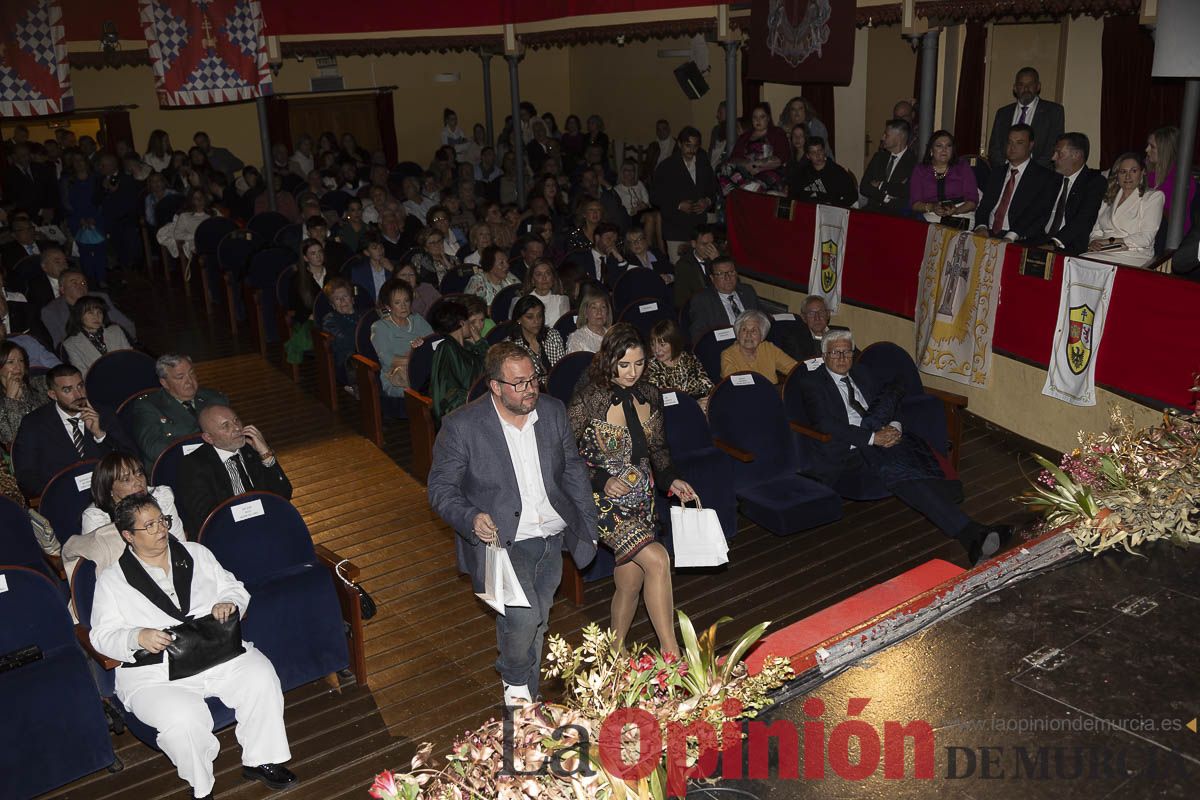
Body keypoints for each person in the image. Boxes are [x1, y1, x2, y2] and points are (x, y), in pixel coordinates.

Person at [89, 492, 296, 799]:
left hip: (213, 651)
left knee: (260, 676)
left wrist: (229, 602)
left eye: (162, 520)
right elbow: (101, 635)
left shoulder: (196, 553)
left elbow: (233, 587)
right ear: (128, 536)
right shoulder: (112, 579)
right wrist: (137, 636)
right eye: (149, 526)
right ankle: (202, 788)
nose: (161, 529)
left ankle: (261, 759)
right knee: (183, 718)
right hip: (156, 673)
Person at [428, 342, 596, 705]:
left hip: (550, 536)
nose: (530, 389)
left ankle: (527, 700)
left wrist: (589, 524)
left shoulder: (551, 411)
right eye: (518, 383)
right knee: (523, 617)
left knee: (538, 623)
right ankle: (516, 685)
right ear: (495, 386)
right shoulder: (462, 426)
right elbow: (440, 489)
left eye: (533, 379)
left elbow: (573, 471)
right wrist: (471, 517)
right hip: (501, 543)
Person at [799, 330, 1011, 564]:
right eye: (835, 353)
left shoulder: (862, 373)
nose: (842, 358)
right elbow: (827, 424)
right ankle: (971, 532)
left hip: (882, 437)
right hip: (851, 449)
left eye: (847, 352)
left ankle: (972, 536)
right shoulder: (812, 383)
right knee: (902, 471)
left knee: (916, 456)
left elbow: (890, 403)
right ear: (824, 355)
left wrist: (895, 426)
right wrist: (873, 438)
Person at [568, 324, 696, 655]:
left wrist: (671, 480)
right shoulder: (588, 400)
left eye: (639, 364)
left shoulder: (650, 394)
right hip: (603, 500)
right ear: (608, 360)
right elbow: (563, 456)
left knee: (629, 583)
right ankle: (673, 656)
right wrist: (600, 479)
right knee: (657, 560)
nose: (632, 373)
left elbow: (658, 450)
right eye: (624, 365)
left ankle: (615, 651)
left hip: (641, 497)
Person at [12, 363, 133, 495]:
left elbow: (132, 458)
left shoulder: (104, 414)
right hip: (62, 498)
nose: (78, 395)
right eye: (67, 390)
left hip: (108, 492)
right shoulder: (34, 423)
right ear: (53, 394)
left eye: (80, 386)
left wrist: (100, 435)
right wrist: (56, 493)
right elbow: (25, 475)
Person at [62, 452, 186, 581]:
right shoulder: (97, 518)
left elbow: (180, 544)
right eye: (126, 479)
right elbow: (105, 571)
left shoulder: (161, 498)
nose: (138, 482)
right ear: (109, 489)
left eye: (139, 474)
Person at [176, 404, 292, 536]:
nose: (237, 428)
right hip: (229, 533)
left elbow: (284, 494)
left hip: (267, 523)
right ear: (209, 438)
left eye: (236, 420)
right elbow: (205, 518)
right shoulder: (193, 465)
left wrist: (265, 453)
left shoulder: (252, 449)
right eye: (226, 426)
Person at [130, 354, 228, 473]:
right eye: (180, 377)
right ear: (164, 383)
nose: (189, 381)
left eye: (191, 373)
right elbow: (153, 448)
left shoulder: (214, 398)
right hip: (177, 468)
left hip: (221, 464)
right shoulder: (149, 406)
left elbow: (234, 430)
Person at [1023, 132, 1107, 256]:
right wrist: (1012, 234)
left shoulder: (1094, 182)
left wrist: (1055, 243)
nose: (1053, 158)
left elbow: (1083, 218)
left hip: (1069, 245)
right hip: (1041, 239)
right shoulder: (1052, 179)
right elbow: (1033, 209)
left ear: (1076, 155)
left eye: (1059, 153)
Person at [974, 124, 1056, 241]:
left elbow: (1036, 214)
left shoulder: (1043, 177)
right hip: (988, 232)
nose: (1012, 147)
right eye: (1010, 142)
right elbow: (984, 206)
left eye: (1019, 143)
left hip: (1018, 236)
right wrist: (981, 226)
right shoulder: (997, 172)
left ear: (1030, 145)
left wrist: (1011, 236)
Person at [1086, 153, 1165, 267]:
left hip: (1133, 254)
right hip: (1102, 251)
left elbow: (1145, 238)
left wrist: (1110, 241)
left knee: (1088, 264)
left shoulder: (1153, 197)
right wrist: (1094, 242)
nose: (1128, 177)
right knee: (1077, 261)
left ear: (1142, 173)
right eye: (1123, 172)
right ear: (1117, 175)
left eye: (1133, 171)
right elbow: (1096, 230)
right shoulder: (1108, 198)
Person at [652, 127, 718, 261]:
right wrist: (678, 205)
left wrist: (707, 201)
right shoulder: (667, 166)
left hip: (699, 229)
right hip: (676, 227)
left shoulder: (703, 163)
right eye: (688, 145)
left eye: (695, 146)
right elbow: (655, 196)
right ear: (679, 144)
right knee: (680, 269)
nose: (691, 150)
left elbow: (713, 188)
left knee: (702, 269)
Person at [986, 67, 1065, 169]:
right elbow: (994, 149)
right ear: (1015, 88)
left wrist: (1028, 171)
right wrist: (1007, 168)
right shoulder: (1003, 113)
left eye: (1030, 84)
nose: (1026, 89)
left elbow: (1054, 147)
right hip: (1007, 175)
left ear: (1038, 86)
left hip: (1039, 175)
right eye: (1021, 85)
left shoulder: (1053, 111)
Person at [41, 268, 138, 349]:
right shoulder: (51, 311)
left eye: (83, 283)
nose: (80, 286)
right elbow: (59, 344)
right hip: (81, 353)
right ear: (62, 289)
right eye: (74, 283)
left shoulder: (100, 298)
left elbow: (126, 325)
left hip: (114, 344)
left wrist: (123, 342)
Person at [428, 300, 488, 425]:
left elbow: (489, 366)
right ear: (462, 323)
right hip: (461, 413)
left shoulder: (467, 347)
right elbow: (447, 392)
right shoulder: (446, 348)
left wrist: (479, 342)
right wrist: (475, 400)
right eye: (469, 322)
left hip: (477, 403)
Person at [371, 276, 434, 396]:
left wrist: (423, 350)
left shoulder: (418, 320)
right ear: (388, 307)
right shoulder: (380, 327)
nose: (404, 306)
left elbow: (434, 344)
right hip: (396, 377)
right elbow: (388, 360)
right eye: (397, 303)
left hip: (424, 371)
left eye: (406, 301)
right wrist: (418, 360)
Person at [909, 130, 978, 227]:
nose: (944, 150)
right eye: (939, 146)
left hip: (961, 213)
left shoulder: (962, 167)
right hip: (931, 214)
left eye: (948, 146)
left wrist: (956, 210)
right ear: (931, 150)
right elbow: (915, 204)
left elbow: (972, 201)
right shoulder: (920, 170)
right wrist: (933, 207)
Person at [719, 102, 790, 195]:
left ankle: (746, 190)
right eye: (755, 117)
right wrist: (747, 164)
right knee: (722, 169)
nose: (758, 120)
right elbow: (733, 158)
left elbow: (780, 158)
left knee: (756, 183)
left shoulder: (777, 133)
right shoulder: (745, 136)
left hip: (769, 170)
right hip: (747, 171)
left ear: (768, 118)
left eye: (762, 117)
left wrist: (757, 165)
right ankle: (742, 190)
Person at [687, 257, 760, 342]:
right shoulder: (703, 300)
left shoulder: (747, 291)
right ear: (712, 278)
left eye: (731, 272)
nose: (727, 278)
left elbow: (762, 319)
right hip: (724, 346)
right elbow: (698, 335)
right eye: (721, 274)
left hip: (754, 342)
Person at [61, 295, 133, 376]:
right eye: (90, 313)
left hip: (126, 375)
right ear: (79, 316)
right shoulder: (70, 344)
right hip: (99, 384)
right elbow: (83, 374)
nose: (96, 317)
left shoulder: (116, 331)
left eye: (99, 312)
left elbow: (130, 357)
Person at [646, 319, 713, 406]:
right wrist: (694, 406)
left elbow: (708, 385)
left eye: (662, 345)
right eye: (652, 344)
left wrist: (709, 400)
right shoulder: (651, 366)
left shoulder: (689, 358)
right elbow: (661, 402)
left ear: (674, 343)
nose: (656, 350)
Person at [720, 310, 797, 384]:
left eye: (754, 330)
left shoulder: (769, 348)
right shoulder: (728, 355)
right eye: (744, 329)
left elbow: (794, 368)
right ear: (738, 334)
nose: (748, 334)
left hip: (771, 395)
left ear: (762, 335)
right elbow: (732, 385)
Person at [860, 119, 917, 215]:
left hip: (896, 215)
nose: (882, 138)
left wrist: (880, 185)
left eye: (887, 135)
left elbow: (906, 191)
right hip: (872, 210)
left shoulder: (913, 162)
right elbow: (864, 187)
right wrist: (885, 197)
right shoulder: (879, 157)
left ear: (900, 137)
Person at [1145, 126, 1197, 227]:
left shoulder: (1181, 180)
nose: (1146, 149)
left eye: (1152, 146)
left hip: (1170, 234)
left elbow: (1172, 217)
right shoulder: (1147, 170)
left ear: (1165, 150)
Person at [0, 341, 49, 446]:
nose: (18, 367)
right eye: (11, 362)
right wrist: (11, 400)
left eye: (21, 361)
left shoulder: (39, 384)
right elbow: (11, 439)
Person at [507, 295, 566, 383]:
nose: (536, 321)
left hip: (558, 386)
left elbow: (562, 368)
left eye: (539, 316)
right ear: (519, 319)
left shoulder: (552, 335)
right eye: (530, 317)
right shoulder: (512, 346)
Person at [788, 137, 858, 208]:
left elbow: (852, 197)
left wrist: (834, 204)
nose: (817, 155)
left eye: (820, 150)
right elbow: (792, 196)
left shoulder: (837, 172)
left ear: (824, 151)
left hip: (833, 211)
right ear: (808, 156)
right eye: (813, 152)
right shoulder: (802, 173)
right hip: (809, 210)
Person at [320, 278, 362, 388]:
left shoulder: (364, 314)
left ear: (352, 299)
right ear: (332, 305)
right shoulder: (330, 320)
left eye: (345, 296)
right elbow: (345, 341)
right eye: (337, 299)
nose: (342, 301)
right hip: (348, 362)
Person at [672, 224, 721, 308]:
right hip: (698, 307)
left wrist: (718, 263)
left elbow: (732, 284)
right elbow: (682, 300)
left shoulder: (718, 257)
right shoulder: (684, 265)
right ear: (694, 244)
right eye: (705, 244)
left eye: (712, 243)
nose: (710, 248)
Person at [792, 295, 852, 361]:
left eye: (821, 312)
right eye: (811, 314)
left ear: (828, 314)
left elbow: (858, 359)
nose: (817, 318)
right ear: (804, 317)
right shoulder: (795, 340)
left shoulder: (842, 334)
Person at [521, 258, 569, 327]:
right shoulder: (522, 301)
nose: (544, 278)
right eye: (539, 274)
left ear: (553, 277)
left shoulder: (562, 300)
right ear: (532, 280)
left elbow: (565, 328)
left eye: (548, 273)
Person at [566, 286, 612, 354]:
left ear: (607, 312)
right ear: (585, 312)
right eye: (594, 307)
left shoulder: (614, 336)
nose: (599, 312)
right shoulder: (576, 339)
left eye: (603, 307)